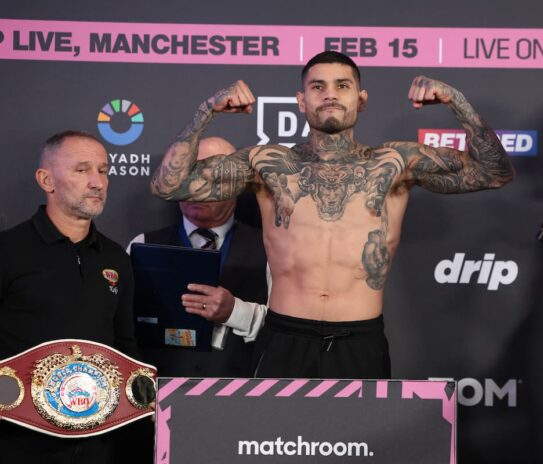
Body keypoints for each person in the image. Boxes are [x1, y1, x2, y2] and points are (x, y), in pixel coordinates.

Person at [150, 51, 514, 379]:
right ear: (301, 100)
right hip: (284, 337)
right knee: (273, 449)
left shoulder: (396, 164)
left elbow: (494, 174)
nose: (330, 94)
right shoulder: (269, 165)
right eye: (317, 86)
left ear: (361, 99)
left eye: (343, 85)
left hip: (359, 339)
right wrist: (206, 111)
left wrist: (458, 102)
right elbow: (170, 186)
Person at [0, 131, 137, 463]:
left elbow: (125, 343)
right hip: (17, 440)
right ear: (46, 179)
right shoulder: (7, 250)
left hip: (98, 442)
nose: (97, 182)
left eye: (103, 171)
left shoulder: (116, 257)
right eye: (81, 170)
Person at [129, 136, 269, 378]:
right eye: (190, 174)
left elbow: (290, 330)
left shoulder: (270, 247)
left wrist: (235, 312)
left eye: (211, 175)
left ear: (236, 183)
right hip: (158, 398)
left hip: (244, 398)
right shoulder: (141, 245)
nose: (196, 186)